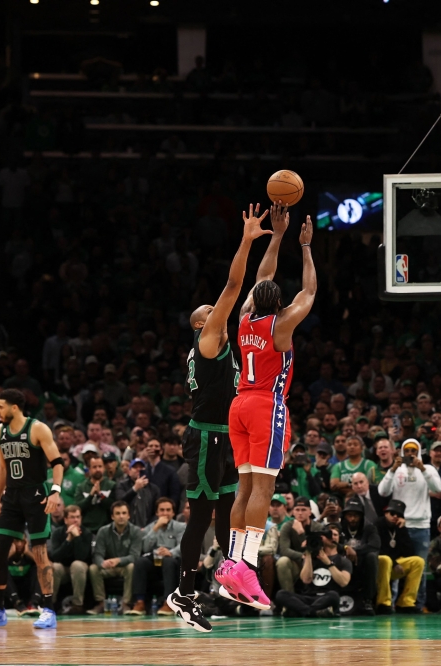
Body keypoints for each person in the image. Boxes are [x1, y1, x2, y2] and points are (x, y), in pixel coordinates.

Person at [167, 204, 272, 632]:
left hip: (227, 434)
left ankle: (231, 575)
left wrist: (278, 239)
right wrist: (246, 239)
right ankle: (183, 593)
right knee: (202, 516)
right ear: (198, 323)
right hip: (207, 436)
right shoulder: (207, 340)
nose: (219, 312)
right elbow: (234, 284)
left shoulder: (225, 341)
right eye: (210, 311)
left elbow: (258, 286)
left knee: (229, 507)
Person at [218, 208, 316, 612]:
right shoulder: (281, 326)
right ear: (280, 305)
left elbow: (261, 277)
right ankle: (246, 566)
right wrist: (305, 247)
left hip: (238, 404)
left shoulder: (243, 320)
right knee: (264, 488)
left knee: (244, 488)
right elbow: (309, 293)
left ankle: (231, 567)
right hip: (265, 407)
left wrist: (275, 238)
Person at [0, 389, 63, 630]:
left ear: (14, 407)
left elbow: (57, 463)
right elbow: (2, 468)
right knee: (1, 551)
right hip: (12, 497)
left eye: (1, 406)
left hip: (36, 495)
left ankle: (48, 610)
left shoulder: (38, 429)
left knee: (39, 552)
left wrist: (55, 491)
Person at [377, 438, 441, 610]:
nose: (411, 454)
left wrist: (422, 469)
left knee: (419, 569)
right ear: (402, 452)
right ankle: (391, 603)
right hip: (398, 525)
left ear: (419, 452)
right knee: (396, 566)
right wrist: (391, 469)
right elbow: (382, 491)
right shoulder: (397, 470)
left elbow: (437, 488)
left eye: (414, 451)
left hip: (421, 525)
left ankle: (417, 604)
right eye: (408, 451)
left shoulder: (428, 469)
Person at [274, 522, 350, 617]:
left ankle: (301, 610)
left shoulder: (343, 561)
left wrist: (328, 563)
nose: (332, 537)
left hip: (326, 597)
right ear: (323, 538)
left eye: (335, 535)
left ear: (339, 538)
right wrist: (309, 553)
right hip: (308, 597)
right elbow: (306, 580)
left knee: (334, 596)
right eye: (329, 534)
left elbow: (343, 582)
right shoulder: (312, 557)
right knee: (281, 594)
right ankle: (312, 612)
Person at [129, 497, 185, 616]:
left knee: (168, 562)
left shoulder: (181, 527)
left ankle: (168, 603)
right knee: (140, 562)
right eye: (162, 510)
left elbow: (183, 545)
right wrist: (155, 528)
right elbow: (144, 548)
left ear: (173, 512)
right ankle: (140, 602)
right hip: (154, 560)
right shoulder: (151, 527)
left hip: (173, 561)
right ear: (157, 512)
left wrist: (171, 552)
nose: (165, 513)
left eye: (168, 510)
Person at [87, 501, 142, 615]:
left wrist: (118, 560)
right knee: (93, 568)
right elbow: (97, 554)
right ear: (112, 516)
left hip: (124, 567)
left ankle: (126, 603)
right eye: (117, 513)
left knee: (132, 567)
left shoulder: (136, 531)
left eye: (124, 513)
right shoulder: (103, 531)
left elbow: (135, 556)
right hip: (109, 567)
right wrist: (102, 563)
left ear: (129, 515)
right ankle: (101, 603)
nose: (121, 516)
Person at [375, 499, 424, 614]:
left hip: (394, 566)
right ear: (386, 513)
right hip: (378, 565)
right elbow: (377, 549)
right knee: (386, 560)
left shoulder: (399, 528)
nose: (395, 517)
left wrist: (402, 529)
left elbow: (409, 552)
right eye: (392, 513)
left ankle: (405, 602)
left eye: (399, 515)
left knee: (418, 561)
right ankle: (383, 603)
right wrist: (395, 563)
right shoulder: (377, 525)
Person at [48, 504, 92, 614]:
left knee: (77, 564)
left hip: (80, 568)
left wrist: (77, 537)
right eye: (72, 517)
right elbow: (55, 557)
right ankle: (50, 604)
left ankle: (78, 605)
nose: (76, 520)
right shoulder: (58, 533)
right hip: (63, 568)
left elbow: (82, 556)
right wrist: (68, 540)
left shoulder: (86, 533)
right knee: (55, 567)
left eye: (78, 517)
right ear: (66, 519)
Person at [339, 496, 378, 615]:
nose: (352, 519)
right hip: (342, 562)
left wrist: (356, 551)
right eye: (349, 515)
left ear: (361, 516)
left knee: (372, 557)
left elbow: (375, 545)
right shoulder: (339, 527)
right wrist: (346, 548)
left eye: (355, 515)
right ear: (345, 515)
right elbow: (331, 543)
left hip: (362, 563)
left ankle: (368, 600)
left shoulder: (369, 527)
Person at [75, 456, 116, 531]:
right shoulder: (81, 487)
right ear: (89, 469)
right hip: (87, 529)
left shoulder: (112, 485)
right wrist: (91, 495)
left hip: (107, 529)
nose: (98, 469)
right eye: (94, 467)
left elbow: (113, 506)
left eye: (100, 466)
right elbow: (78, 508)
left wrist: (100, 495)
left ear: (104, 468)